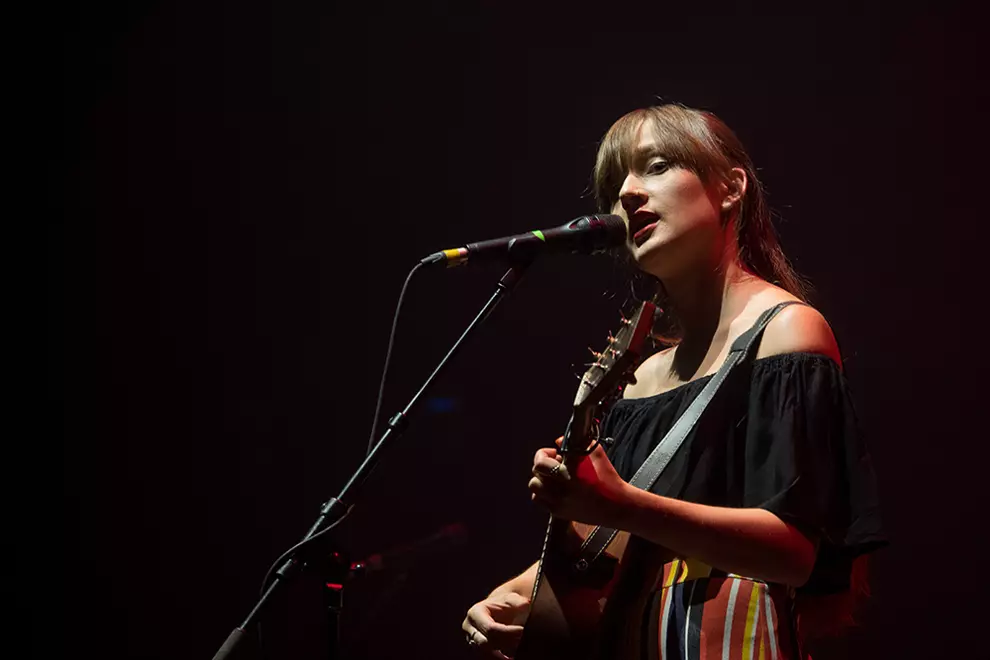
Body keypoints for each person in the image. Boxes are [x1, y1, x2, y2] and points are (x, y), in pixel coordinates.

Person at [461, 104, 887, 659]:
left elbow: (791, 553)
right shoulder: (640, 378)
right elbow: (619, 541)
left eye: (657, 166)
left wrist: (620, 505)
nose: (627, 193)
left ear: (730, 188)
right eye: (616, 184)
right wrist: (517, 592)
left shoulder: (785, 333)